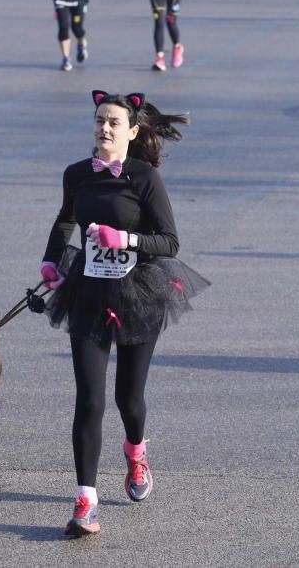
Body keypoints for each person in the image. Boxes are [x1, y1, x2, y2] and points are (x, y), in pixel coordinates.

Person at [39, 89, 210, 537]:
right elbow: (64, 221)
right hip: (88, 292)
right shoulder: (76, 174)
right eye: (99, 120)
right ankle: (86, 501)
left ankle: (135, 453)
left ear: (133, 132)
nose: (104, 128)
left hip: (138, 293)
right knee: (90, 400)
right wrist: (51, 260)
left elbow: (169, 242)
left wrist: (126, 240)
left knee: (127, 400)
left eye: (114, 122)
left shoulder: (145, 178)